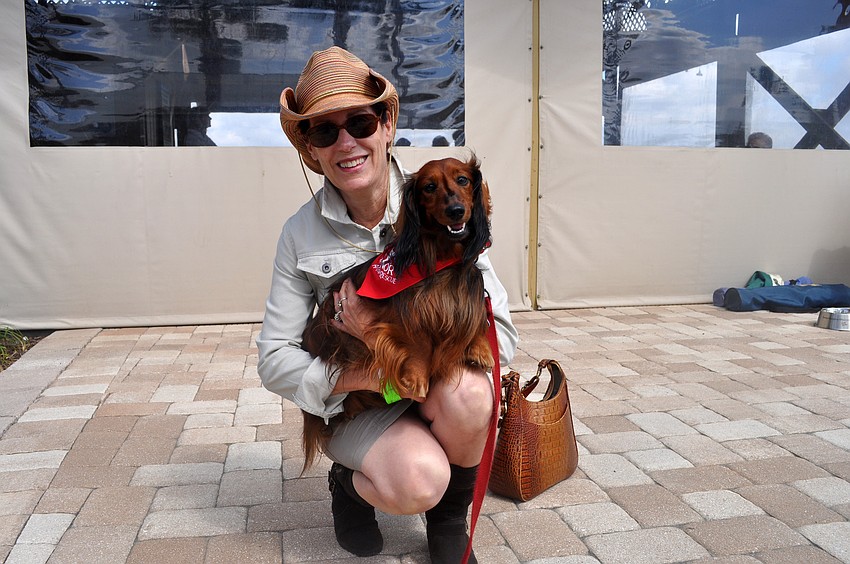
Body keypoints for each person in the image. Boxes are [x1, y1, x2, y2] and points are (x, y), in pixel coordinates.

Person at [256, 46, 517, 562]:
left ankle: (449, 521)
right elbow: (274, 360)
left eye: (360, 122)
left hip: (426, 383)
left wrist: (401, 350)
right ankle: (350, 486)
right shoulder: (299, 234)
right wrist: (379, 374)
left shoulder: (435, 200)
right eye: (324, 131)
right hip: (358, 399)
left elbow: (500, 339)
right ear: (310, 149)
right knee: (417, 479)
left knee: (471, 395)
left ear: (387, 123)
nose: (346, 143)